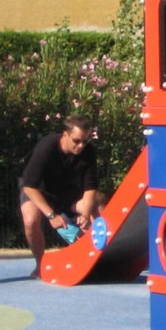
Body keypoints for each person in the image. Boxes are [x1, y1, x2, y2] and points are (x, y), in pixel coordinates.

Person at [19, 115, 101, 277]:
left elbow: (90, 188)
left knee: (96, 204)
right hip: (38, 191)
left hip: (66, 192)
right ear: (65, 135)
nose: (81, 146)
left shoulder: (88, 152)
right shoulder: (46, 148)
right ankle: (41, 265)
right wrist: (51, 215)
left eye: (85, 141)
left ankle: (98, 257)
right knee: (30, 220)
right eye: (76, 141)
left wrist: (85, 213)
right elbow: (29, 187)